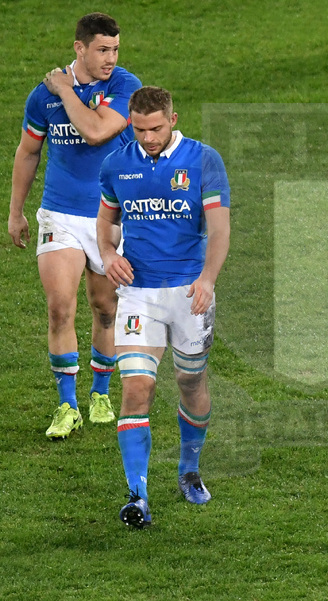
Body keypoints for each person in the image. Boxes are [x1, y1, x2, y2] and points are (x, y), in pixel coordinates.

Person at [97, 86, 231, 527]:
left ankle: (189, 468)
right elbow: (106, 221)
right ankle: (137, 496)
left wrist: (208, 279)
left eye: (155, 128)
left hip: (190, 294)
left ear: (173, 119)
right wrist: (109, 255)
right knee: (137, 390)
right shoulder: (117, 164)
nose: (148, 137)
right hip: (139, 294)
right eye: (139, 129)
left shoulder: (203, 160)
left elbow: (219, 229)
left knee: (190, 383)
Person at [8, 13, 142, 439]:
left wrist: (66, 90)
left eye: (115, 49)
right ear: (79, 48)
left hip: (110, 217)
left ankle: (100, 393)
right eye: (103, 49)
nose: (111, 58)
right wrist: (16, 211)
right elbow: (28, 153)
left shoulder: (124, 86)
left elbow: (98, 131)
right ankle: (67, 405)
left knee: (105, 308)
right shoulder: (40, 99)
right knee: (59, 307)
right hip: (60, 213)